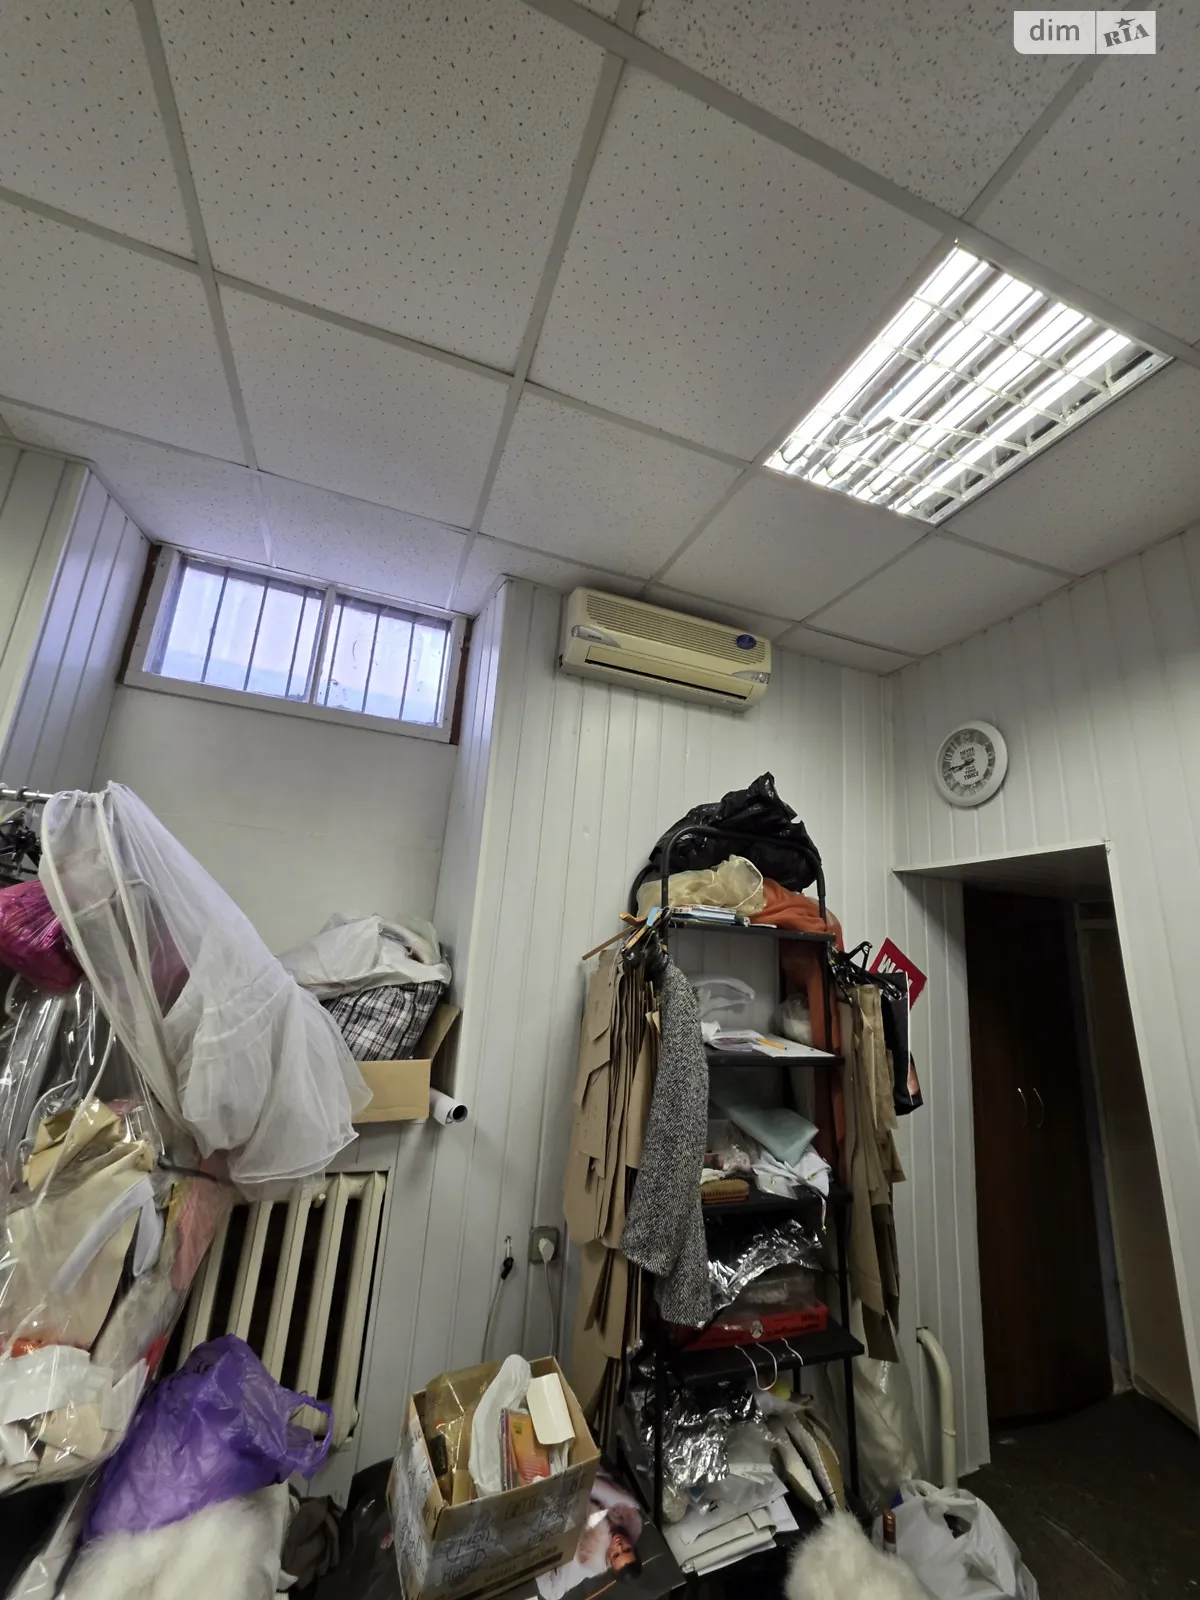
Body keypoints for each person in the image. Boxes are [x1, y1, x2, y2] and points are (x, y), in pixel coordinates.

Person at [536, 1473, 643, 1600]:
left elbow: (551, 1592)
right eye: (627, 1549)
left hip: (557, 1514)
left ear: (609, 1561)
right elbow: (595, 1485)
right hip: (580, 1481)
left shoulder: (590, 1556)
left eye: (616, 1555)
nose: (619, 1546)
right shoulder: (629, 1516)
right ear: (633, 1545)